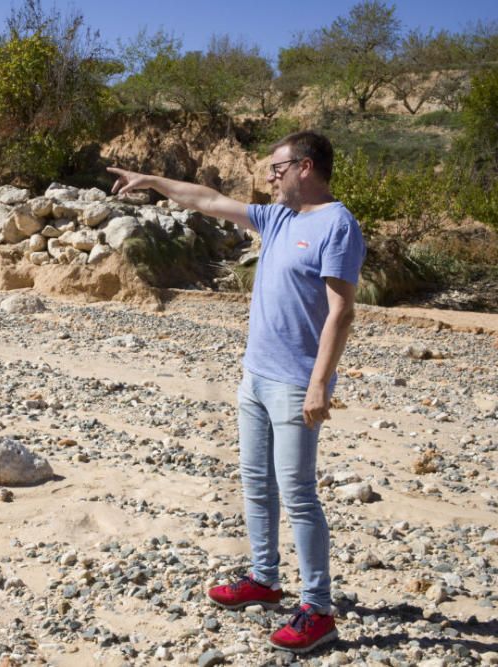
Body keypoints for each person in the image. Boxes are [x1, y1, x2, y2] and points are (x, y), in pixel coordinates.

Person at [108, 131, 366, 655]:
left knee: (298, 495)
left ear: (306, 167)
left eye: (277, 168)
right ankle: (265, 579)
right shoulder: (277, 219)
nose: (269, 177)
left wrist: (319, 384)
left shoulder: (337, 226)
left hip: (297, 383)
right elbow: (207, 199)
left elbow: (342, 311)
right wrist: (153, 181)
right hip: (255, 376)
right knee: (255, 481)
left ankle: (318, 609)